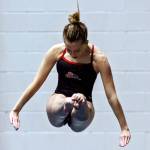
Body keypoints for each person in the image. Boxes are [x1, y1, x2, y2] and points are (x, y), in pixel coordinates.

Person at [9, 6, 131, 147]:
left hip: (86, 101)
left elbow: (112, 96)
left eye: (77, 50)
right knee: (55, 109)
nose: (72, 53)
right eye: (69, 49)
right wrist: (16, 109)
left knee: (80, 118)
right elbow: (37, 83)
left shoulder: (99, 59)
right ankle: (68, 102)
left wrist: (124, 127)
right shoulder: (56, 51)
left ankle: (80, 103)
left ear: (86, 42)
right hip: (60, 96)